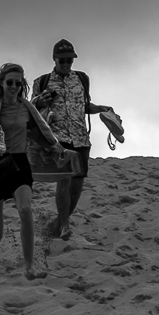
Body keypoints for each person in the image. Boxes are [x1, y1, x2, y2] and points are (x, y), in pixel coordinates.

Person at [0, 62, 64, 282]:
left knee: (26, 209)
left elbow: (36, 134)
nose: (14, 86)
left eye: (18, 83)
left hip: (19, 162)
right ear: (2, 83)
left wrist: (53, 147)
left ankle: (29, 268)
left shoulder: (26, 107)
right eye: (10, 82)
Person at [30, 39, 114, 240]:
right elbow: (31, 110)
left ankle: (58, 224)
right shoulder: (41, 82)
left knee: (77, 185)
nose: (67, 64)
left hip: (81, 138)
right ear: (54, 59)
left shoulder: (82, 79)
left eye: (70, 60)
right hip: (58, 138)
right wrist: (39, 101)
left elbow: (84, 106)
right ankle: (65, 226)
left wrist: (102, 109)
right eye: (63, 61)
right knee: (64, 179)